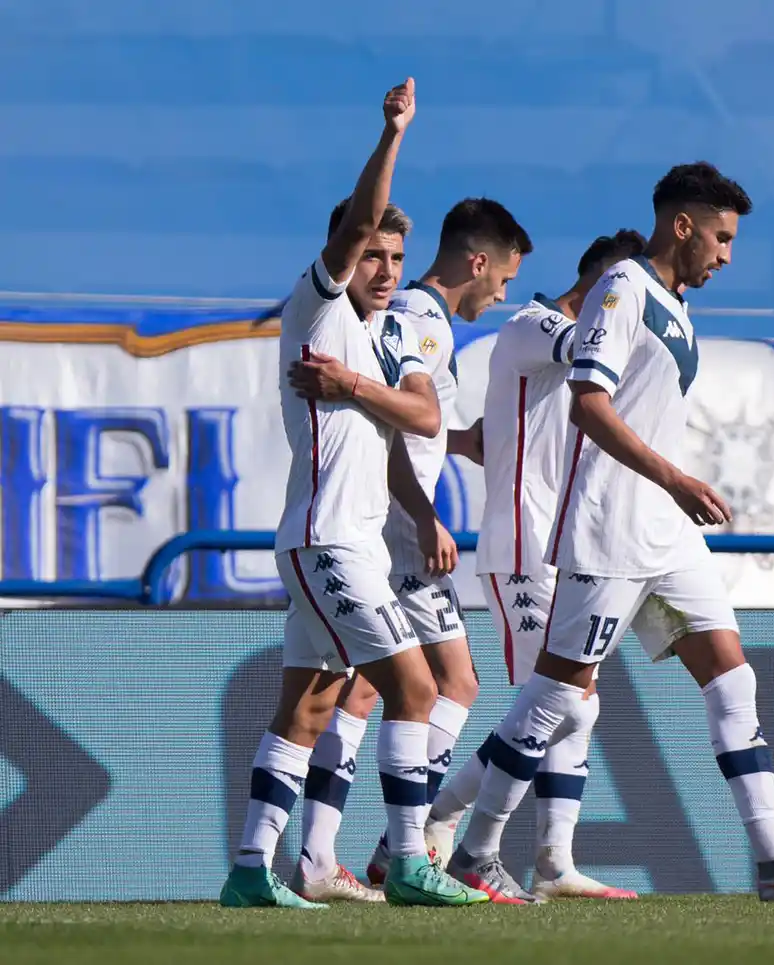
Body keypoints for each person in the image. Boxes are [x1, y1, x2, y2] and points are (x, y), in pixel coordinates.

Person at [447, 162, 774, 902]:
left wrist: (671, 492)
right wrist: (673, 476)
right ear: (682, 225)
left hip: (665, 536)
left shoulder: (676, 307)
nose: (727, 254)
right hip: (612, 527)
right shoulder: (624, 289)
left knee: (733, 677)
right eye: (721, 235)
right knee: (559, 697)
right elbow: (588, 401)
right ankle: (474, 848)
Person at [218, 78, 488, 909]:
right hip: (328, 540)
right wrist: (394, 134)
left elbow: (420, 415)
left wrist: (361, 394)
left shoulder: (368, 342)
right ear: (343, 249)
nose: (385, 267)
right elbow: (364, 220)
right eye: (373, 252)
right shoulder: (319, 304)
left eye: (397, 259)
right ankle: (410, 862)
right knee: (414, 689)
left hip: (345, 540)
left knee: (309, 706)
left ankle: (250, 871)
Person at [282, 199, 534, 901]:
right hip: (391, 525)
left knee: (365, 686)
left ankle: (327, 853)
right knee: (449, 680)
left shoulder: (411, 317)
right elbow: (404, 412)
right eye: (506, 280)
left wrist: (455, 443)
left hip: (384, 517)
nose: (503, 294)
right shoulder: (421, 320)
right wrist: (423, 514)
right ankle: (406, 844)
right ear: (480, 263)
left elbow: (400, 425)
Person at [422, 230, 651, 903]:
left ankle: (552, 860)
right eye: (631, 290)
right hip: (521, 541)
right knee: (558, 704)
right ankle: (449, 830)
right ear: (608, 280)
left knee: (576, 704)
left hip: (563, 545)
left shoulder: (578, 358)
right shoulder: (533, 324)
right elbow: (593, 348)